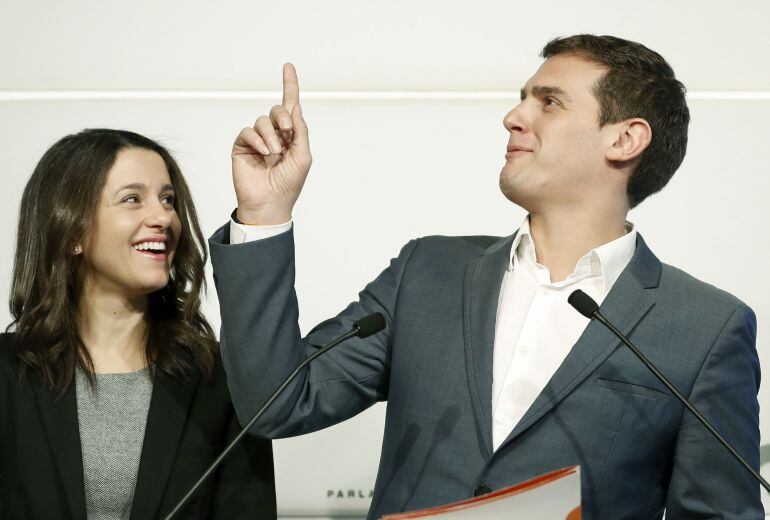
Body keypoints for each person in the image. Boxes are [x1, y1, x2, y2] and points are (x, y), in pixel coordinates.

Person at [209, 35, 762, 518]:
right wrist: (264, 215)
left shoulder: (705, 327)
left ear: (624, 139)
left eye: (549, 102)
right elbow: (274, 402)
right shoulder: (427, 271)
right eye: (523, 98)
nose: (514, 116)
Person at [0, 129, 276, 519]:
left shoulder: (219, 378)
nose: (163, 217)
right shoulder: (7, 373)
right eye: (132, 199)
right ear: (71, 231)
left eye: (168, 200)